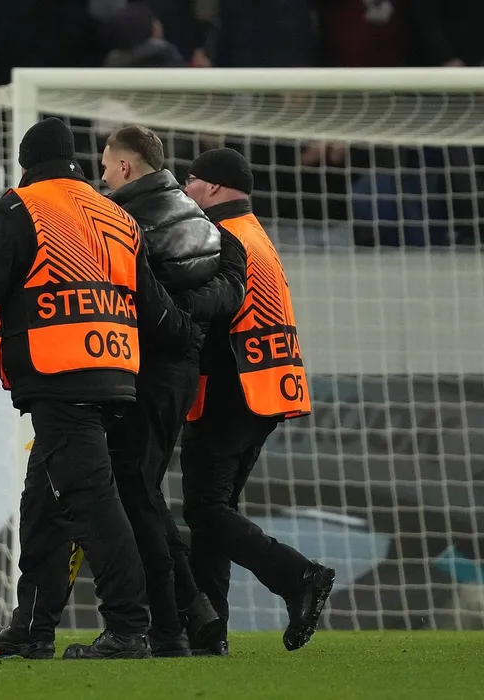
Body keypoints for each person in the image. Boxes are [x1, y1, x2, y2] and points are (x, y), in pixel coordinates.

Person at [0, 118, 200, 660]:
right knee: (42, 507)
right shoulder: (114, 214)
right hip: (116, 374)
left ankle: (128, 627)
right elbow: (153, 305)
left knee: (94, 504)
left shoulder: (23, 208)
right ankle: (32, 629)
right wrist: (191, 335)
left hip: (60, 374)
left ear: (27, 164)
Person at [181, 148, 336, 654]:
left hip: (232, 387)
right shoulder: (254, 234)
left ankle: (297, 576)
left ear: (214, 187)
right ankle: (209, 632)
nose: (185, 189)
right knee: (216, 512)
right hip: (265, 387)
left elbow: (213, 315)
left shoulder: (220, 236)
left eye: (191, 180)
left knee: (205, 510)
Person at [100, 125, 243, 656]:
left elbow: (139, 296)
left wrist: (175, 320)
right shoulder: (198, 217)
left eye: (106, 166)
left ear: (125, 167)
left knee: (137, 495)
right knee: (144, 494)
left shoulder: (122, 220)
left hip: (146, 371)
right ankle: (183, 620)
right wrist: (190, 320)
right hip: (183, 372)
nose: (102, 176)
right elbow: (230, 286)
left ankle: (179, 619)